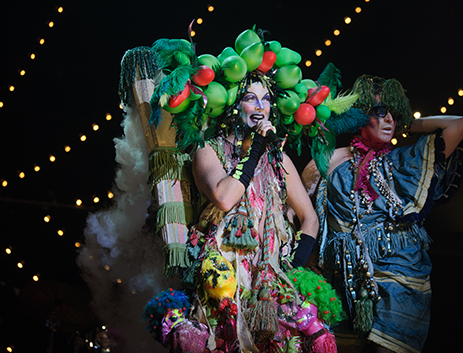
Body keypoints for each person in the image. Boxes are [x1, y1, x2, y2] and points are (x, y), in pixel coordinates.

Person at [141, 30, 346, 353]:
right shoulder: (208, 150)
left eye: (266, 99)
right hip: (223, 275)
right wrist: (255, 152)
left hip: (269, 278)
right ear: (234, 105)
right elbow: (224, 196)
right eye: (251, 97)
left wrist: (292, 264)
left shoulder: (280, 160)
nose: (261, 106)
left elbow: (309, 218)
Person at [302, 75, 463, 353]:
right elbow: (303, 217)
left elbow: (458, 124)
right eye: (379, 112)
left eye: (393, 112)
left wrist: (405, 122)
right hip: (345, 279)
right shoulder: (329, 161)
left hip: (401, 277)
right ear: (359, 117)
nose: (388, 119)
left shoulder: (405, 161)